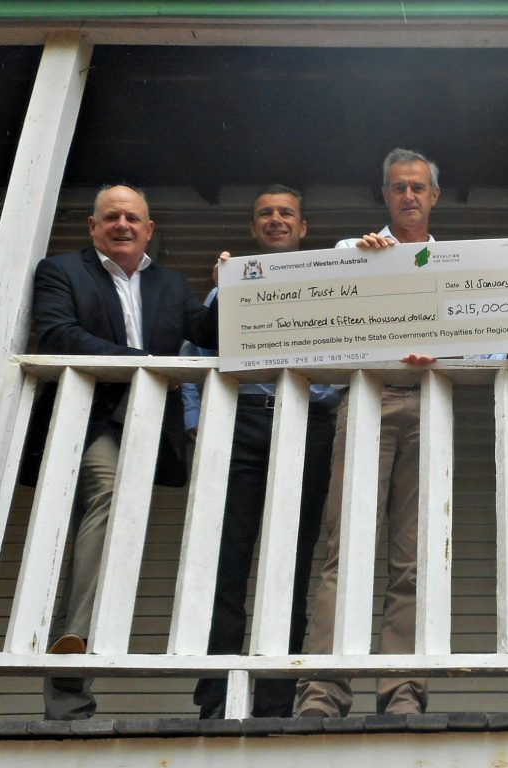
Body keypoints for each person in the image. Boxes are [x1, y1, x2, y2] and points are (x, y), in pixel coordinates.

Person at [30, 184, 218, 720]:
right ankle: (74, 652)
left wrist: (230, 289)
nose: (122, 225)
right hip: (87, 422)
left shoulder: (171, 284)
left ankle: (76, 661)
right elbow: (58, 336)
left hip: (146, 430)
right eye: (110, 217)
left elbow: (210, 330)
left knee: (111, 531)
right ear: (92, 227)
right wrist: (141, 361)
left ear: (149, 229)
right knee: (108, 496)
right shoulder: (61, 272)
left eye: (132, 218)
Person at [294, 148, 439, 718]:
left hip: (430, 406)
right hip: (367, 401)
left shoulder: (449, 261)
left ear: (434, 196)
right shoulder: (350, 252)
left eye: (419, 187)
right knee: (343, 553)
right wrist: (363, 265)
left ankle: (402, 692)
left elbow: (477, 333)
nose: (409, 195)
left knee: (412, 558)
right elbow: (321, 321)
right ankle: (324, 693)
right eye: (399, 187)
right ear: (386, 195)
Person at [186, 185, 339, 719]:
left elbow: (356, 344)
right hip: (242, 421)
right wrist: (193, 423)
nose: (275, 221)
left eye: (286, 214)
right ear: (255, 229)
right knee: (227, 558)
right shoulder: (227, 283)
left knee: (293, 561)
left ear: (303, 229)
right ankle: (216, 697)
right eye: (265, 215)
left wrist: (327, 398)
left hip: (309, 425)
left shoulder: (330, 283)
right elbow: (195, 354)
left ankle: (275, 696)